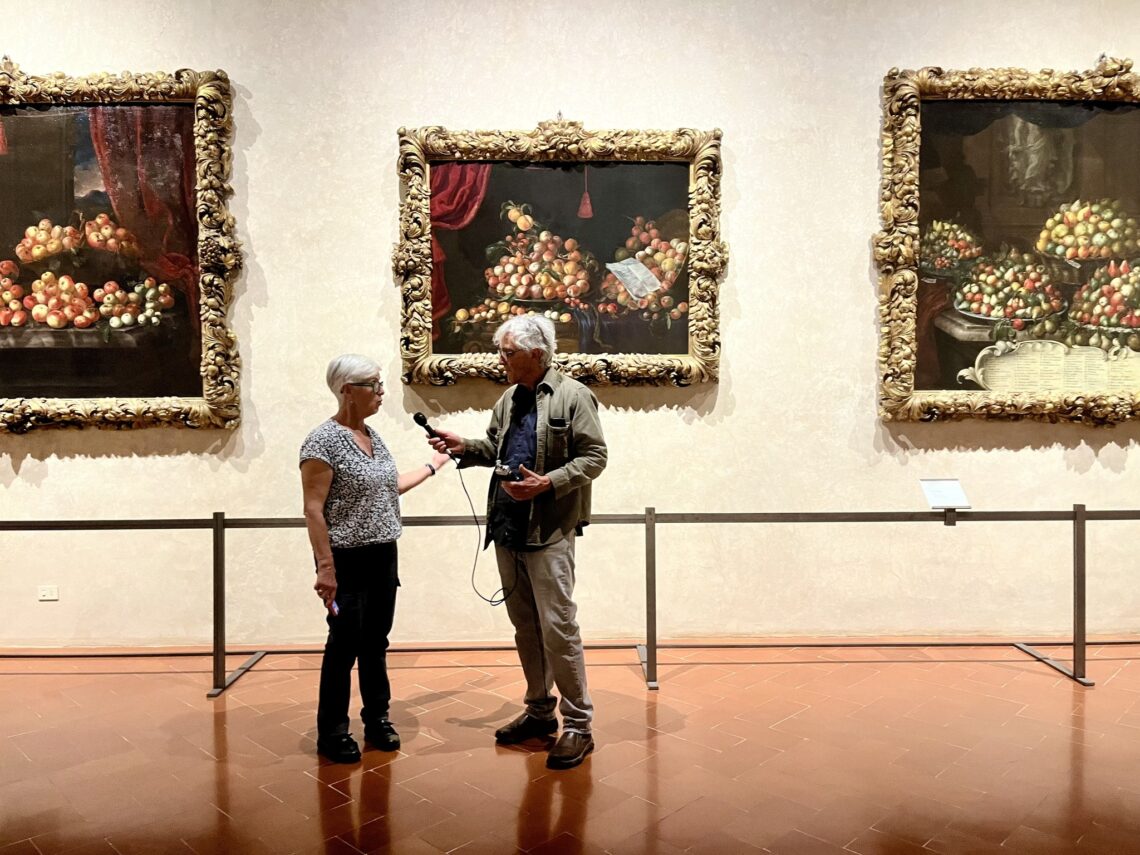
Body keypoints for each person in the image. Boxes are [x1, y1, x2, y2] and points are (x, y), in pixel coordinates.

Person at [427, 315, 607, 770]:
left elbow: (595, 456)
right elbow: (495, 449)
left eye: (508, 352)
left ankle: (579, 726)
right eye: (501, 351)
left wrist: (547, 483)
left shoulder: (572, 396)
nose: (500, 359)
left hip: (547, 530)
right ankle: (540, 711)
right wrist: (464, 446)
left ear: (538, 353)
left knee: (558, 627)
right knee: (526, 627)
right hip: (508, 526)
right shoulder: (508, 399)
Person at [300, 354, 451, 764]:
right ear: (347, 389)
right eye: (374, 385)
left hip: (384, 556)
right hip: (344, 560)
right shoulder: (321, 442)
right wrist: (326, 569)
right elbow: (313, 510)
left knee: (375, 643)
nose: (382, 393)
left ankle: (377, 720)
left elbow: (389, 488)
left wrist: (432, 466)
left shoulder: (374, 436)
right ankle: (331, 731)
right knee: (342, 645)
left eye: (381, 384)